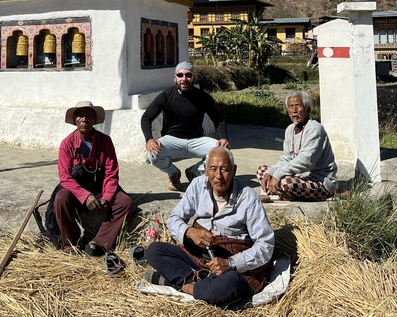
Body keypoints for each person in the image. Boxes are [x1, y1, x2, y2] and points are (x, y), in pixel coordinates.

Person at [144, 146, 275, 307]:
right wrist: (190, 232)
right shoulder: (197, 186)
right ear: (205, 170)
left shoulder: (248, 198)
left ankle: (184, 286)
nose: (218, 176)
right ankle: (200, 285)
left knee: (227, 286)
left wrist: (231, 263)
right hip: (201, 255)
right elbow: (174, 219)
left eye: (224, 170)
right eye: (213, 169)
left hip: (230, 264)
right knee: (154, 251)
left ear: (234, 170)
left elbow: (266, 245)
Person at [53, 101, 134, 255]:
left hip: (100, 187)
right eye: (80, 116)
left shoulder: (105, 141)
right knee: (60, 199)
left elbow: (111, 173)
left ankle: (99, 243)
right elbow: (65, 177)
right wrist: (85, 196)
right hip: (77, 191)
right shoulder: (67, 144)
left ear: (95, 120)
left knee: (126, 203)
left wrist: (107, 198)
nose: (85, 119)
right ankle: (70, 244)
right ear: (75, 120)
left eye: (89, 116)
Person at [141, 61, 230, 191]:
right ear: (175, 78)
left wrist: (224, 137)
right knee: (153, 155)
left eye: (188, 75)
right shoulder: (166, 96)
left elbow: (219, 120)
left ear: (194, 78)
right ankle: (173, 174)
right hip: (172, 140)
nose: (184, 79)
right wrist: (149, 139)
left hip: (196, 140)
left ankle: (194, 171)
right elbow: (146, 117)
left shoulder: (203, 97)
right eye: (180, 75)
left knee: (223, 152)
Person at [256, 91, 337, 201]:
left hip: (319, 181)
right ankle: (279, 192)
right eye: (290, 107)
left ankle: (277, 193)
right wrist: (271, 173)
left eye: (298, 106)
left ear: (307, 109)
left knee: (286, 183)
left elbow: (305, 162)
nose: (294, 110)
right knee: (262, 171)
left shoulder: (314, 129)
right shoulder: (290, 129)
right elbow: (287, 158)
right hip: (298, 177)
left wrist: (278, 174)